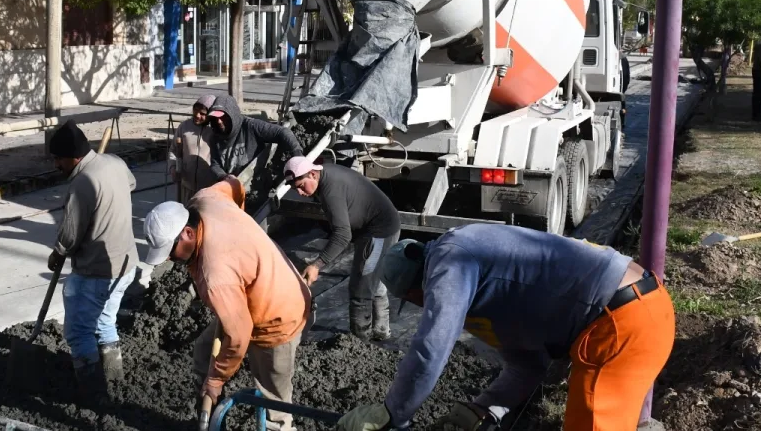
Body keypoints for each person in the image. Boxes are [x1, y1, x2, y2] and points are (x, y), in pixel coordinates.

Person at [337, 225, 675, 431]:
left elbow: (431, 347)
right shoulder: (489, 277)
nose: (424, 307)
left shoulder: (451, 259)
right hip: (640, 313)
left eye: (417, 302)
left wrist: (391, 413)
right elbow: (527, 365)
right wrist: (484, 407)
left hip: (620, 321)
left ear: (416, 289)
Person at [144, 178, 310, 431]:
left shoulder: (215, 274)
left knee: (274, 401)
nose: (168, 258)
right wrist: (239, 233)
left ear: (188, 233)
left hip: (278, 315)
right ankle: (210, 417)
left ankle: (280, 426)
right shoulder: (206, 199)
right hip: (248, 297)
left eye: (170, 250)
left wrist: (216, 379)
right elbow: (234, 184)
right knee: (204, 352)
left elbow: (239, 334)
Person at [46, 120, 139, 394]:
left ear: (74, 157)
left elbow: (70, 234)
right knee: (105, 321)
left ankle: (93, 394)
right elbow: (131, 184)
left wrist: (58, 252)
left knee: (79, 332)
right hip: (125, 265)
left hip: (97, 272)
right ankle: (113, 376)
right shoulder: (115, 163)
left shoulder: (81, 184)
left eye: (59, 159)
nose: (56, 165)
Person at [285, 156, 399, 341]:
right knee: (371, 278)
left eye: (301, 186)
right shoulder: (325, 174)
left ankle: (360, 341)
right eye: (295, 188)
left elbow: (342, 235)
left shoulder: (330, 191)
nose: (299, 192)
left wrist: (317, 265)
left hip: (380, 230)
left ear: (312, 174)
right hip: (370, 226)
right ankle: (381, 330)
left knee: (361, 288)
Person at [207, 94, 303, 180]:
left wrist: (297, 154)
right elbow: (215, 164)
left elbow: (282, 132)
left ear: (232, 115)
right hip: (232, 184)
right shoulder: (215, 138)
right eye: (216, 118)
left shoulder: (250, 126)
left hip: (255, 181)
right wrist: (223, 176)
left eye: (223, 117)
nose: (219, 121)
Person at [169, 95, 218, 201]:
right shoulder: (184, 127)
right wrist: (172, 167)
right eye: (195, 110)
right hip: (186, 185)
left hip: (208, 188)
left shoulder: (215, 131)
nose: (197, 115)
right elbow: (173, 150)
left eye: (202, 113)